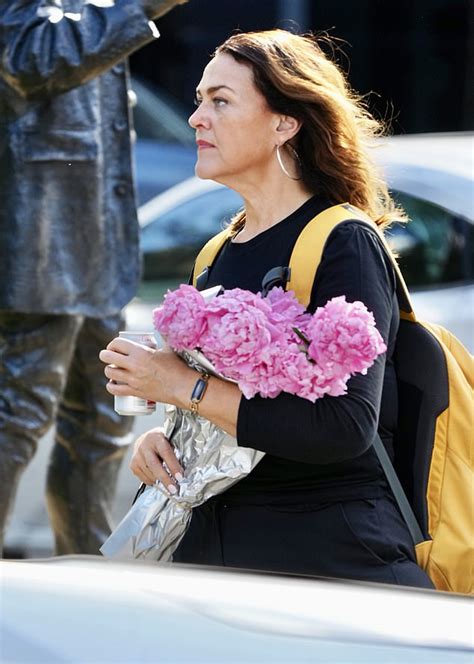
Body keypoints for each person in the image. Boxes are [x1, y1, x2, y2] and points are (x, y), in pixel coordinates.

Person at [99, 29, 434, 588]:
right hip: (217, 562)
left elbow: (343, 428)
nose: (196, 118)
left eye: (221, 101)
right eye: (200, 99)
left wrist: (183, 386)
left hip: (327, 567)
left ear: (285, 122)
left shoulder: (340, 240)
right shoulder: (214, 255)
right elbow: (222, 418)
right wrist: (159, 444)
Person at [0, 0, 189, 557]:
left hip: (93, 242)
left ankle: (82, 587)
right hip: (38, 237)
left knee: (101, 426)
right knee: (17, 412)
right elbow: (24, 56)